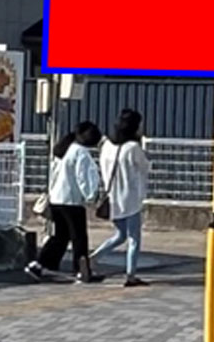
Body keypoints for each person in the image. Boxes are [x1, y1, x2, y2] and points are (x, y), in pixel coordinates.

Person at [30, 121, 103, 282]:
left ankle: (40, 264)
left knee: (60, 236)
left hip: (57, 198)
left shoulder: (63, 150)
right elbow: (83, 177)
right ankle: (81, 270)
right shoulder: (81, 152)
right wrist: (91, 196)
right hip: (72, 201)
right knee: (79, 237)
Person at [92, 109, 153, 288]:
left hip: (112, 198)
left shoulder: (106, 146)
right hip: (130, 199)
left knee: (120, 235)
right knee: (134, 238)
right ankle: (130, 275)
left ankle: (93, 257)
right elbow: (144, 168)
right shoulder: (133, 148)